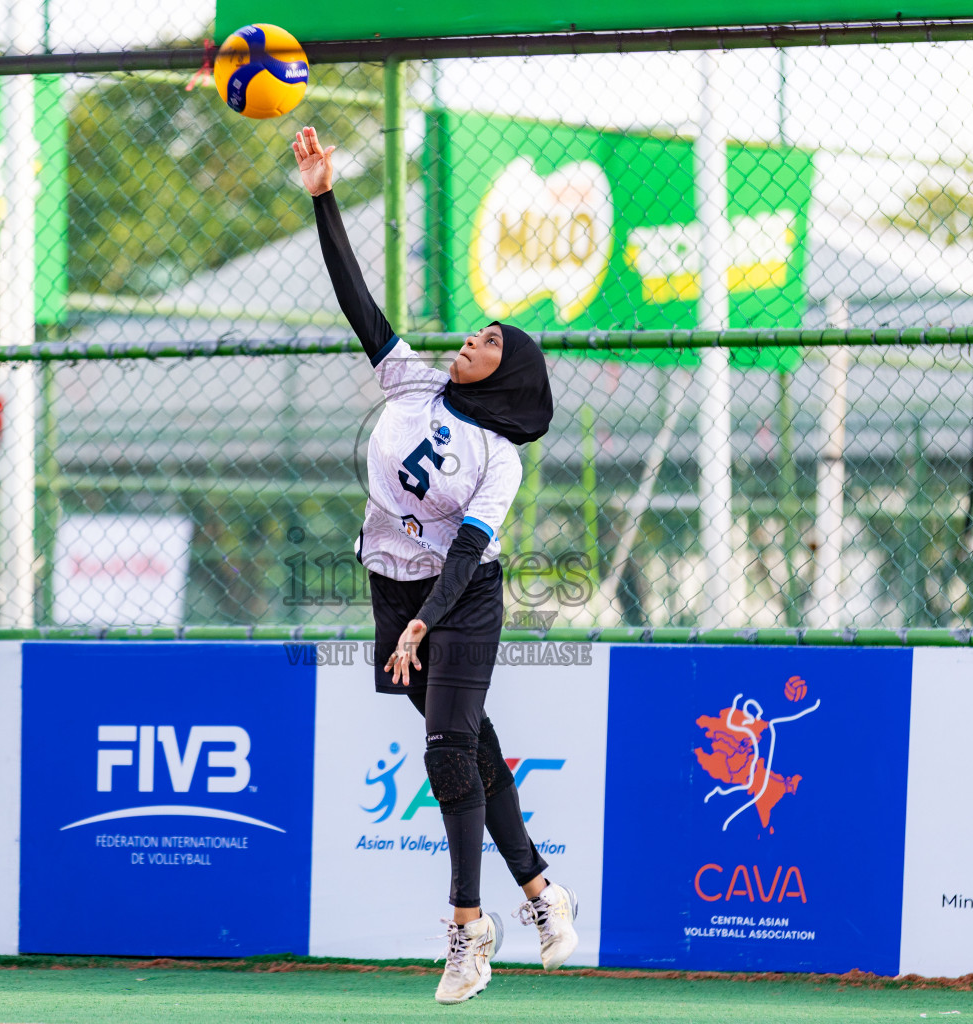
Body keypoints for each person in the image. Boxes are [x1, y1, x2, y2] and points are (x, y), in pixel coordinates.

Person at [294, 126, 578, 1004]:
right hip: (390, 584)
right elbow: (357, 302)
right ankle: (541, 887)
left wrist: (424, 621)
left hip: (462, 600)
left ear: (510, 374)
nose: (472, 339)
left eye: (491, 341)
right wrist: (321, 195)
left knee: (448, 749)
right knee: (471, 750)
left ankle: (468, 929)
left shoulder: (502, 455)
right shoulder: (412, 379)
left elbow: (464, 552)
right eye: (478, 332)